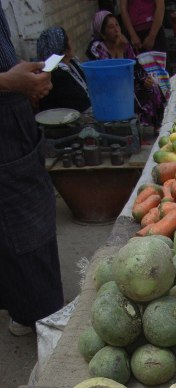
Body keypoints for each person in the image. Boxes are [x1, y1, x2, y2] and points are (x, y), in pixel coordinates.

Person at [0, 7, 64, 336]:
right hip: (5, 136)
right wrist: (8, 82)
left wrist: (19, 78)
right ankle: (40, 319)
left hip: (13, 122)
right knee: (25, 231)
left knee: (23, 230)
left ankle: (25, 312)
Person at [86, 10, 165, 129]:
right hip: (108, 88)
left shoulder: (124, 44)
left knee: (152, 87)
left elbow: (135, 66)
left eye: (117, 25)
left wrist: (145, 79)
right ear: (102, 32)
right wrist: (118, 50)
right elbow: (111, 72)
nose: (116, 30)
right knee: (130, 95)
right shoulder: (97, 47)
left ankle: (157, 126)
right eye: (111, 27)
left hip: (127, 83)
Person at [36, 27, 90, 113]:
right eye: (70, 40)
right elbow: (81, 103)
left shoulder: (71, 64)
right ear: (65, 49)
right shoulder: (57, 76)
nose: (72, 42)